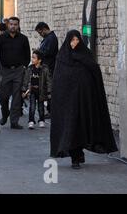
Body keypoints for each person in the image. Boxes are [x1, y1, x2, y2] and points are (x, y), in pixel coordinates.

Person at [50, 30, 118, 169]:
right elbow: (58, 82)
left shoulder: (86, 55)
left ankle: (79, 154)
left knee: (82, 128)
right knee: (71, 128)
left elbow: (95, 74)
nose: (75, 42)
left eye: (77, 40)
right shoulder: (62, 58)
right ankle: (75, 158)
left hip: (85, 102)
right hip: (68, 104)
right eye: (72, 40)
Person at [0, 17, 31, 129]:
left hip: (18, 71)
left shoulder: (23, 39)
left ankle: (14, 122)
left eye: (15, 24)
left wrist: (24, 66)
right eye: (11, 24)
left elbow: (27, 54)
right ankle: (5, 113)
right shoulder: (1, 38)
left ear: (18, 25)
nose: (13, 26)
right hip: (5, 71)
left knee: (17, 97)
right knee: (3, 96)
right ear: (8, 25)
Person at [21, 50, 52, 130]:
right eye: (32, 57)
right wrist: (24, 90)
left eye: (34, 58)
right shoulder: (30, 68)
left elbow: (48, 81)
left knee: (41, 107)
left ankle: (41, 120)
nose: (32, 59)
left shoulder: (45, 69)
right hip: (32, 91)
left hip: (41, 91)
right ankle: (31, 121)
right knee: (32, 107)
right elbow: (26, 80)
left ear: (39, 60)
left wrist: (49, 92)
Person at [35, 22, 58, 117]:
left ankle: (51, 111)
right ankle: (49, 110)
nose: (40, 34)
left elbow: (48, 52)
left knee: (49, 90)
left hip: (49, 68)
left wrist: (38, 52)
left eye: (40, 32)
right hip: (46, 67)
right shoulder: (47, 39)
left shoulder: (51, 38)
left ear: (44, 29)